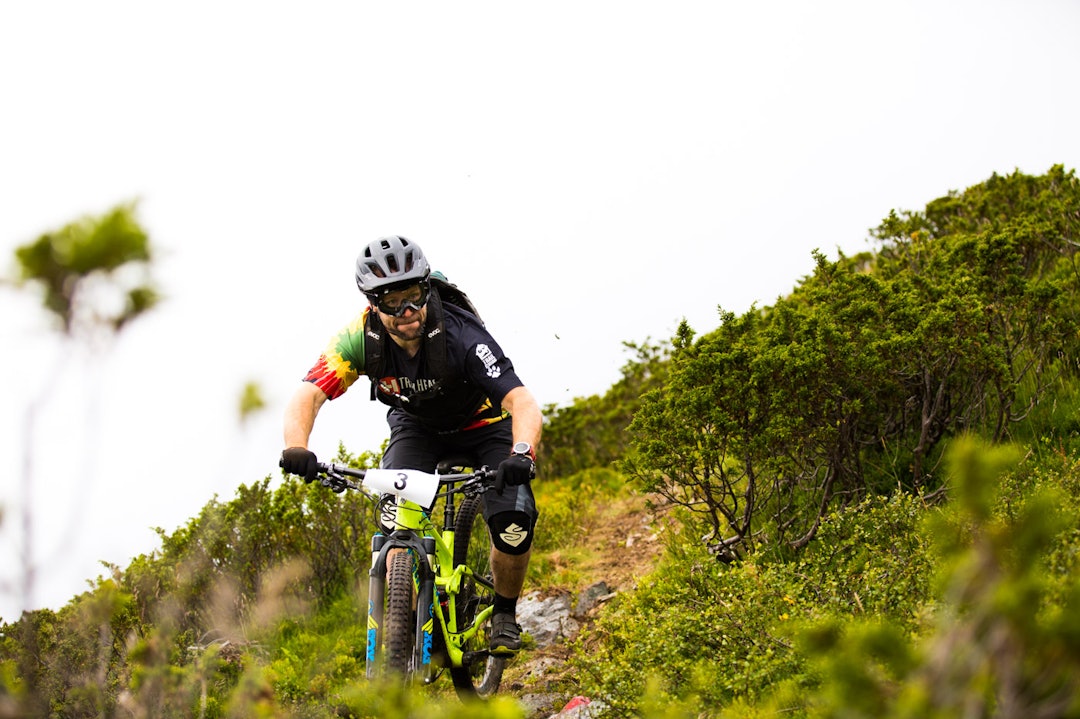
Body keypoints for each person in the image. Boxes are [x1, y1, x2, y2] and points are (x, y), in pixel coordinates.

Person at [280, 235, 542, 655]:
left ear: (426, 289)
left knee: (513, 523)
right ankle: (420, 613)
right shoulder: (358, 339)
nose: (406, 312)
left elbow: (521, 401)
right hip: (417, 427)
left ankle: (505, 614)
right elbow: (308, 394)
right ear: (373, 304)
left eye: (414, 297)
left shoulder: (461, 335)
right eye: (392, 302)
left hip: (485, 424)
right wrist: (297, 447)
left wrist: (522, 452)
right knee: (394, 524)